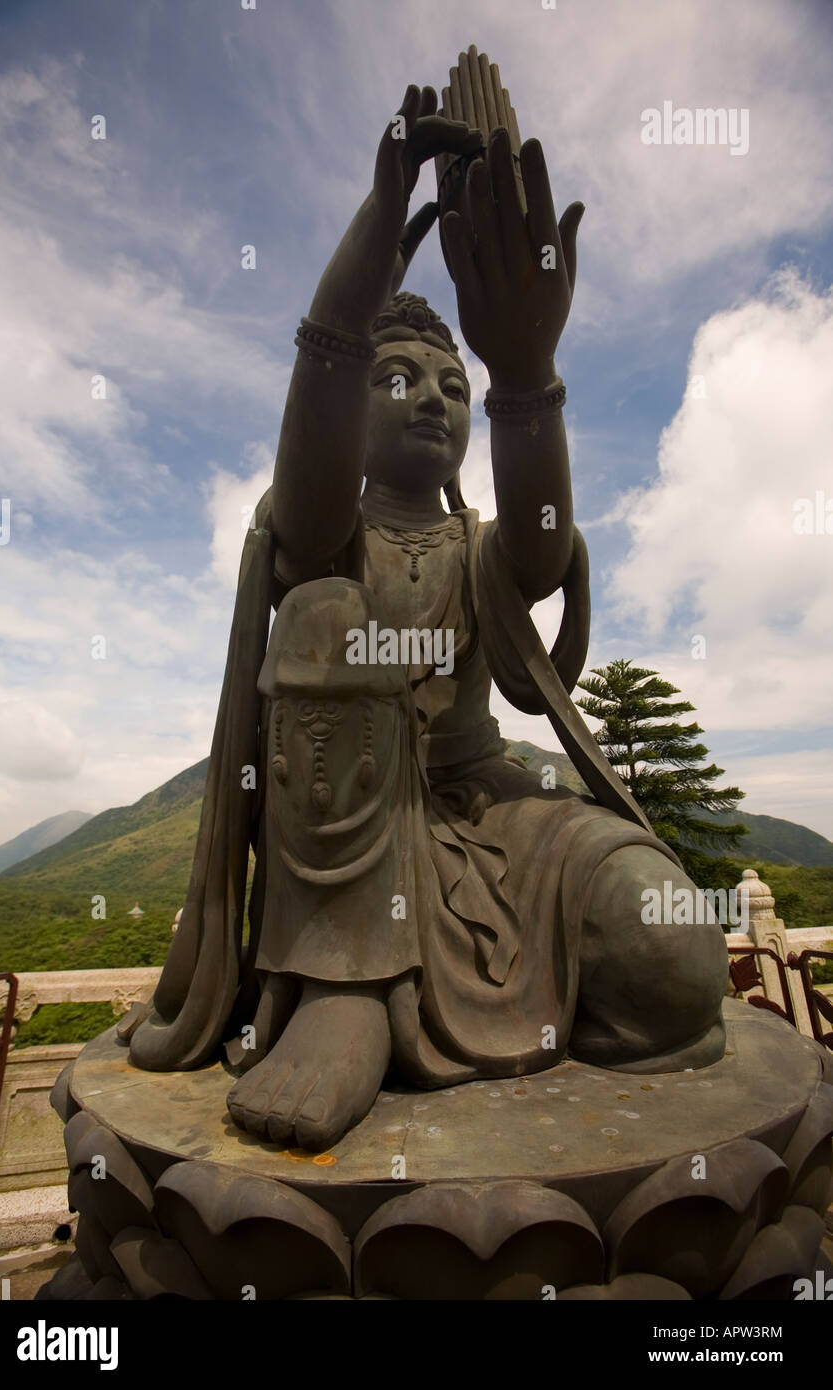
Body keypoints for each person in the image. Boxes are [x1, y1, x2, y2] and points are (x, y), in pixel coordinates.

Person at [122, 85, 728, 1152]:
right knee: (326, 610)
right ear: (350, 400)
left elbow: (540, 548)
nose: (432, 399)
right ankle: (342, 988)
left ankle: (544, 1012)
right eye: (396, 377)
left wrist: (525, 370)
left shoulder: (477, 543)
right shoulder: (320, 532)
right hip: (344, 844)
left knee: (673, 949)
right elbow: (307, 489)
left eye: (451, 383)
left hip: (489, 811)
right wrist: (373, 239)